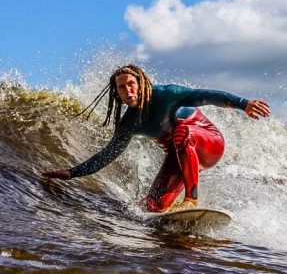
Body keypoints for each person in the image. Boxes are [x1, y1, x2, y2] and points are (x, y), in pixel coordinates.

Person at [43, 64, 270, 212]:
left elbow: (206, 96)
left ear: (142, 83)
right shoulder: (129, 123)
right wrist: (71, 173)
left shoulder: (166, 94)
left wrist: (244, 104)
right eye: (122, 88)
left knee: (182, 132)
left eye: (131, 84)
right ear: (117, 94)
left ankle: (191, 199)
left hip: (208, 143)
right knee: (151, 209)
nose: (128, 90)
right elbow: (107, 155)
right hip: (180, 157)